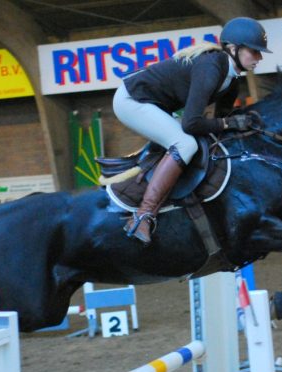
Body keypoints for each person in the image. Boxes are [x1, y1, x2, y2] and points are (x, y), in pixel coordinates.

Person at [112, 17, 272, 245]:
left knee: (198, 143)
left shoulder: (232, 82)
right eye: (254, 51)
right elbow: (192, 123)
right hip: (132, 100)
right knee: (186, 143)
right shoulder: (211, 67)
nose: (259, 58)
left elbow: (220, 125)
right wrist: (228, 124)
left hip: (156, 105)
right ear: (233, 49)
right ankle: (142, 216)